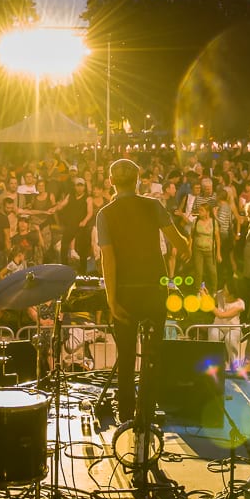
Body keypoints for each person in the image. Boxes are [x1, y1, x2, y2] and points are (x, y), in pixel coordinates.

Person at [96, 159, 189, 423]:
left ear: (111, 181)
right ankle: (147, 413)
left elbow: (108, 261)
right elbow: (180, 245)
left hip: (125, 292)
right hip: (153, 291)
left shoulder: (105, 213)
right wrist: (187, 246)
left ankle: (125, 416)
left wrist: (111, 300)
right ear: (138, 181)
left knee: (125, 356)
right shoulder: (153, 205)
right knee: (152, 355)